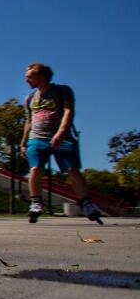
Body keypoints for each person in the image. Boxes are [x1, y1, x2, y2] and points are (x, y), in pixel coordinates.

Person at [20, 63, 102, 224]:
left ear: (42, 77)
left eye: (29, 77)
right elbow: (28, 121)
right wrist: (23, 143)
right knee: (35, 169)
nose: (26, 80)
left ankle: (87, 203)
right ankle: (36, 202)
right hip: (36, 138)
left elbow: (69, 111)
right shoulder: (29, 98)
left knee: (72, 170)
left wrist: (61, 131)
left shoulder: (62, 90)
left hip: (62, 138)